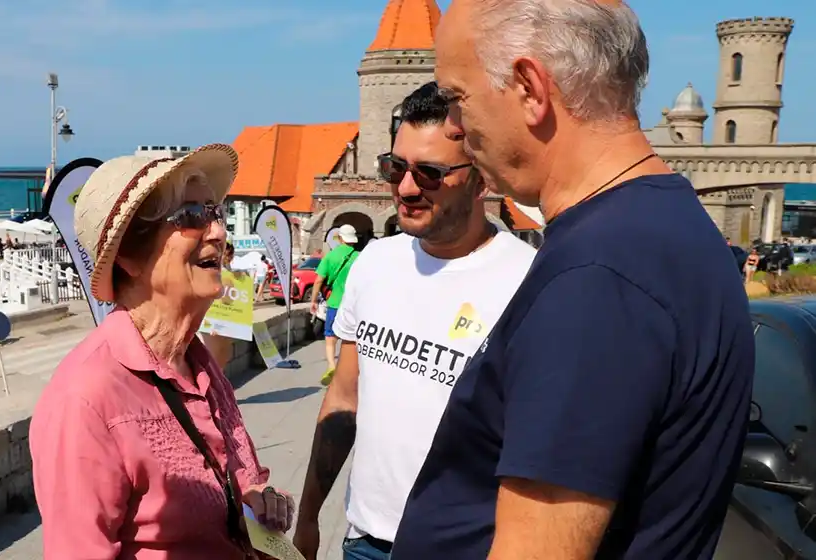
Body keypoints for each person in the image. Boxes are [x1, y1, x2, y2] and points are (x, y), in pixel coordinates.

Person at [393, 1, 755, 559]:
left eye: (456, 100)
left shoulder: (601, 275)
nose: (454, 128)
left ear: (530, 89)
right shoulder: (660, 228)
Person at [292, 82, 537, 560]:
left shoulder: (526, 283)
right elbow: (344, 397)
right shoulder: (375, 262)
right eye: (395, 167)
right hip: (364, 541)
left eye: (429, 173)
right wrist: (308, 516)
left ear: (481, 176)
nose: (406, 187)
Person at [30, 144, 294, 559]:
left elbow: (240, 480)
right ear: (130, 257)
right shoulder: (87, 397)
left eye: (214, 212)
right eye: (191, 216)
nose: (218, 232)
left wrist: (258, 501)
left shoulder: (199, 364)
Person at [308, 223, 359, 386]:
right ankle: (350, 370)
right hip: (354, 305)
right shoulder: (360, 256)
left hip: (335, 303)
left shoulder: (330, 256)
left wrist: (314, 300)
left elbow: (318, 280)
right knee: (351, 338)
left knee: (330, 336)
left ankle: (331, 365)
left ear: (340, 238)